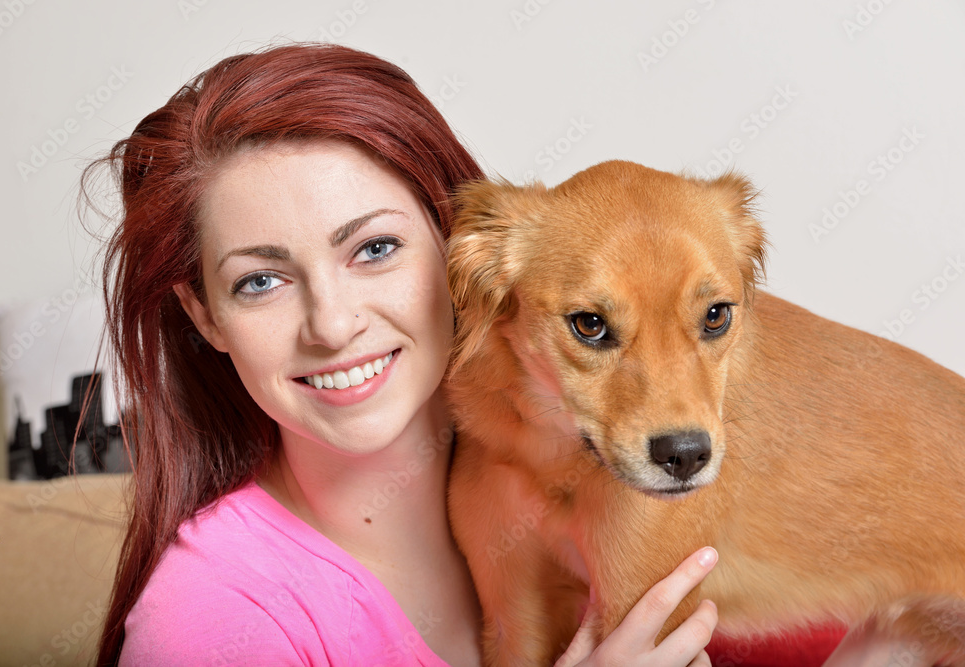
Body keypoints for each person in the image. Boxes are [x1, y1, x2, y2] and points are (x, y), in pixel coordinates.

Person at [83, 42, 916, 667]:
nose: (332, 325)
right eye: (261, 280)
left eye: (374, 248)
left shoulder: (620, 466)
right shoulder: (213, 617)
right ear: (206, 314)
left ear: (460, 257)